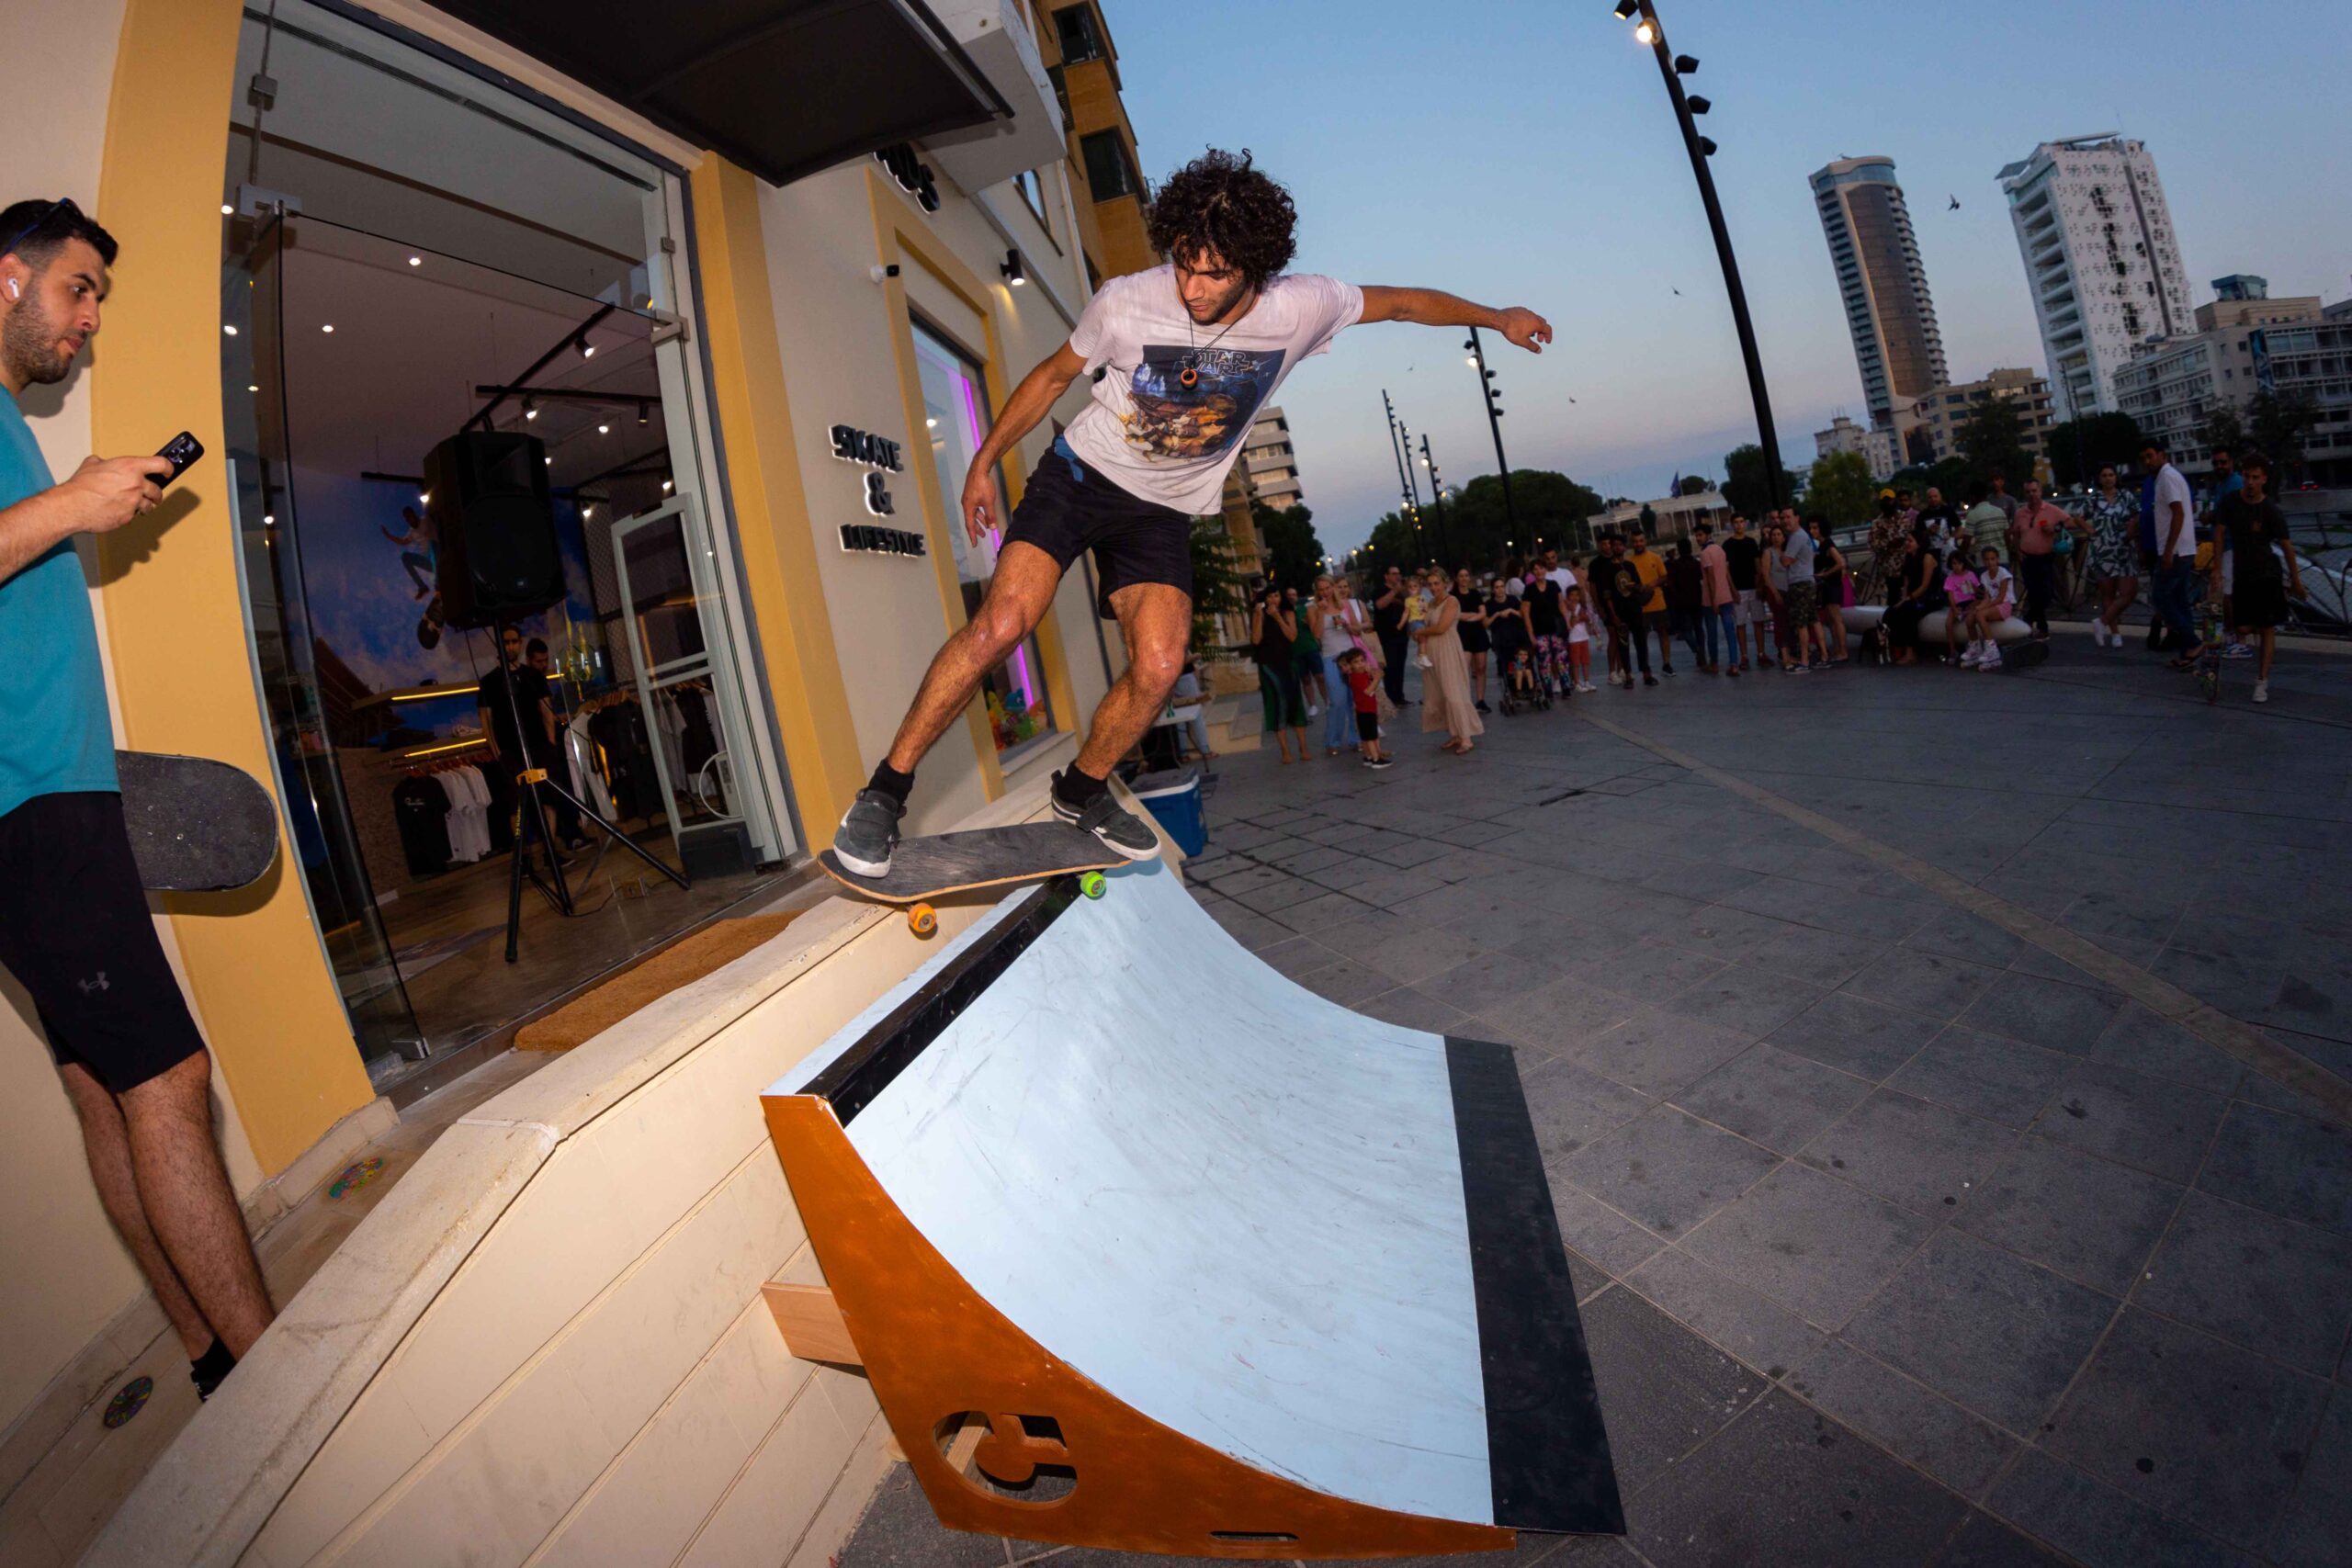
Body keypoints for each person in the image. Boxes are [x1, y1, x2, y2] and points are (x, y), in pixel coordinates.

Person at [828, 149, 1552, 871]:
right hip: (1081, 477)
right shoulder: (1126, 299)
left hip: (1163, 510)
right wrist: (983, 461)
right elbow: (1052, 376)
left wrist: (1497, 317)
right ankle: (883, 794)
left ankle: (1080, 791)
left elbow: (1400, 302)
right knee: (1004, 622)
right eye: (1184, 263)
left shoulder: (1302, 306)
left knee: (1161, 663)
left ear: (1257, 266)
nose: (1195, 287)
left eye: (1216, 273)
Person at [0, 196, 276, 1400]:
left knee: (106, 1091)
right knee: (169, 1081)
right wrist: (72, 502)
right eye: (78, 289)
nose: (91, 320)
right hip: (31, 806)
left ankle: (214, 1350)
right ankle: (286, 1391)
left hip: (50, 799)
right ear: (6, 279)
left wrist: (71, 511)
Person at [2213, 454, 2302, 704]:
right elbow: (2219, 533)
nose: (2250, 482)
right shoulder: (2231, 502)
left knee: (2267, 628)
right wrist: (2216, 569)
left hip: (2267, 575)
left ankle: (2261, 681)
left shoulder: (2270, 510)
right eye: (2247, 477)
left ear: (2263, 479)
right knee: (2241, 627)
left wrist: (2295, 580)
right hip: (2242, 575)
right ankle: (2259, 631)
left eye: (2255, 478)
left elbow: (2287, 546)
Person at [478, 623, 572, 859]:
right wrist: (497, 751)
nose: (510, 646)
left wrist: (551, 741)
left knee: (547, 798)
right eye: (506, 641)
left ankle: (551, 851)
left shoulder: (532, 676)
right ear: (499, 645)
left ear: (520, 644)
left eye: (514, 641)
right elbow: (486, 720)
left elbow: (546, 709)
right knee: (516, 804)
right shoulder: (489, 681)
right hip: (510, 750)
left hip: (539, 745)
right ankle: (525, 858)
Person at [2144, 437, 2204, 668]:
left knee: (2161, 598)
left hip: (2176, 551)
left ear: (2162, 455)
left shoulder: (2166, 478)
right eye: (2144, 458)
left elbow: (2178, 513)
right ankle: (2189, 652)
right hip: (2185, 549)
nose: (2147, 461)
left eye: (2150, 456)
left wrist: (2168, 551)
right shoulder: (2171, 477)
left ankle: (2193, 642)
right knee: (2179, 601)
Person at [1412, 567, 1483, 755]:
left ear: (1445, 583)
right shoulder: (1431, 603)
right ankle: (1454, 732)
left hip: (1448, 648)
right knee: (1439, 693)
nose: (1434, 587)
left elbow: (1442, 627)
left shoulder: (1452, 601)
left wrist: (1421, 632)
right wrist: (1418, 634)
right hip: (1432, 651)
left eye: (1437, 583)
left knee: (1454, 692)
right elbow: (1424, 624)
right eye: (1430, 584)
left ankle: (1466, 736)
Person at [2081, 463, 2141, 648]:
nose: (2108, 478)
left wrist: (2132, 530)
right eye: (2104, 475)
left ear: (2116, 477)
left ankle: (2102, 621)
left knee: (2128, 592)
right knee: (2108, 593)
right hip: (2102, 550)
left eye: (2111, 475)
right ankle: (2115, 633)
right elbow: (2078, 516)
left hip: (2123, 549)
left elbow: (2139, 514)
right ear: (2100, 479)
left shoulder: (2126, 496)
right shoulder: (2094, 498)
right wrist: (2090, 530)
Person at [1251, 583, 1310, 763]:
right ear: (1264, 599)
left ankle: (1303, 747)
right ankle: (1285, 750)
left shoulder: (1288, 613)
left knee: (1294, 701)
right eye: (1269, 597)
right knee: (1276, 704)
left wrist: (1277, 617)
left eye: (1276, 596)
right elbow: (1256, 639)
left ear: (1281, 598)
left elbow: (1292, 636)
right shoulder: (1258, 614)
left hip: (1287, 663)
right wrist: (1260, 617)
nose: (1273, 600)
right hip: (1268, 666)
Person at [2010, 478, 2074, 642]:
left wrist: (2055, 528)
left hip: (2046, 557)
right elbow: (2015, 534)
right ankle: (2042, 628)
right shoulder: (2020, 513)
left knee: (2046, 593)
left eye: (2034, 491)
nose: (2032, 495)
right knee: (2033, 593)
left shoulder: (2051, 509)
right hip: (2027, 558)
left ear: (2040, 492)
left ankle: (2028, 619)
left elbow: (2070, 522)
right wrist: (2017, 552)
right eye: (2028, 492)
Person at [1308, 575, 1365, 756]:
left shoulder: (1345, 605)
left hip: (1350, 656)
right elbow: (1316, 635)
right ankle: (1333, 740)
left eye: (1328, 588)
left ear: (1333, 587)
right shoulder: (1312, 609)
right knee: (1338, 701)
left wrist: (1347, 625)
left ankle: (1356, 739)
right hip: (1330, 657)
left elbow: (1358, 629)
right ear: (1317, 591)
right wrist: (1320, 612)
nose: (1325, 592)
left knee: (1355, 700)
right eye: (1321, 589)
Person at [2200, 446, 2247, 658]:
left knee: (2228, 595)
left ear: (2231, 463)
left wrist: (2209, 517)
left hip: (2231, 547)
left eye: (2223, 462)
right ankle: (2231, 635)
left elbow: (2224, 515)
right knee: (2224, 594)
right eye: (2216, 463)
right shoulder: (2222, 485)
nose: (2219, 466)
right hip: (2224, 546)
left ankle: (2237, 638)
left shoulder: (2235, 483)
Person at [1595, 534, 1652, 687]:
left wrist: (1637, 587)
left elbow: (1639, 586)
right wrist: (1612, 615)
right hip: (1619, 612)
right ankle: (1627, 676)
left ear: (1624, 547)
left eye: (1620, 545)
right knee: (1623, 645)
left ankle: (1646, 673)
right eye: (1614, 545)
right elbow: (1606, 595)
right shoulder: (1607, 569)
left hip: (1634, 608)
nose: (1617, 548)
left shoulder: (1630, 566)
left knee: (1641, 642)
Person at [1882, 536, 1939, 665]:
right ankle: (1896, 647)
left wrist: (1908, 599)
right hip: (1912, 597)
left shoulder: (1927, 557)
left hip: (1929, 597)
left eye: (1910, 541)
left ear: (1919, 543)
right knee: (1891, 612)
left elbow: (1925, 585)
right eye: (1906, 541)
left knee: (1908, 612)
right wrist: (1903, 599)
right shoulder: (1908, 559)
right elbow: (1906, 585)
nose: (1907, 543)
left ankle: (1911, 652)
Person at [1627, 530, 1674, 676]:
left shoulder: (1655, 557)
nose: (1638, 544)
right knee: (1642, 638)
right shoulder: (1629, 562)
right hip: (1640, 605)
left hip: (1658, 602)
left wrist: (1651, 584)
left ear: (1645, 541)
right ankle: (1646, 668)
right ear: (1632, 543)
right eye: (1635, 541)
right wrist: (1638, 588)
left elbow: (1664, 576)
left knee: (1663, 633)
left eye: (1641, 540)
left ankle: (1666, 664)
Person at [1778, 515, 1822, 672]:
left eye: (1789, 517)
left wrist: (1785, 555)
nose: (1786, 521)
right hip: (1808, 580)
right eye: (1784, 518)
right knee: (1813, 619)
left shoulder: (1797, 537)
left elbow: (1785, 561)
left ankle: (1804, 661)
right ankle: (1823, 656)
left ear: (1797, 518)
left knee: (1801, 622)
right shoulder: (1804, 536)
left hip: (1800, 583)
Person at [1521, 559, 1571, 694]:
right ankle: (1547, 689)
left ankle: (1566, 686)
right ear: (1532, 572)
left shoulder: (1553, 585)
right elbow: (1525, 613)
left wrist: (1567, 622)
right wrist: (1530, 634)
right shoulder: (1529, 589)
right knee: (1544, 661)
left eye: (1541, 568)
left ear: (1545, 570)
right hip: (1540, 631)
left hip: (1556, 628)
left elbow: (1561, 604)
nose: (1539, 572)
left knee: (1562, 659)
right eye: (1536, 569)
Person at [1693, 522, 1736, 676]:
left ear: (1707, 535)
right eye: (1696, 535)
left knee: (1712, 632)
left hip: (1711, 599)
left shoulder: (1705, 554)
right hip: (1726, 595)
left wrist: (1713, 600)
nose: (1698, 538)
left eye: (1700, 535)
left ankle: (1714, 663)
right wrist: (1733, 591)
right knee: (1730, 631)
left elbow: (1710, 577)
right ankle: (1734, 663)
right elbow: (1726, 572)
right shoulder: (1720, 549)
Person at [1336, 649, 1391, 768]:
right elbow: (1368, 691)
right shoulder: (1358, 678)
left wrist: (1371, 673)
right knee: (1372, 737)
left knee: (1366, 737)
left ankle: (1368, 757)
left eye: (1362, 660)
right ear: (1350, 665)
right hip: (1367, 710)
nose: (1361, 664)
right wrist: (1376, 679)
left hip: (1363, 710)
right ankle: (1376, 759)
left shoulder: (1357, 675)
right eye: (1356, 662)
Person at [1722, 513, 1762, 671]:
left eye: (1741, 522)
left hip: (1753, 586)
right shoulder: (1728, 544)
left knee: (1758, 621)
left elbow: (1757, 564)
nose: (1739, 525)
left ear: (1745, 524)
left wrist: (1759, 585)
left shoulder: (1751, 542)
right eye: (1736, 523)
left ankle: (1761, 652)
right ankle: (1744, 655)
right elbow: (1726, 570)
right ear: (1732, 525)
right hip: (1739, 588)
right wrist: (1732, 590)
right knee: (1740, 624)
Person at [1808, 515, 1849, 664]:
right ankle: (1838, 649)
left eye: (1815, 528)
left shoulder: (1828, 545)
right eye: (1811, 528)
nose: (1812, 531)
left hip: (1832, 585)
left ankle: (1843, 650)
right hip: (1827, 585)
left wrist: (1825, 574)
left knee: (1836, 618)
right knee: (1831, 619)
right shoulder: (1821, 546)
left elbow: (1840, 563)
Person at [1452, 566, 1493, 713]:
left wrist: (1469, 617)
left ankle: (1480, 700)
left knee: (1481, 667)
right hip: (1462, 634)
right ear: (1456, 578)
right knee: (1465, 667)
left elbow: (1483, 613)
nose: (1464, 578)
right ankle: (1466, 700)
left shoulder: (1475, 593)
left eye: (1466, 575)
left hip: (1477, 632)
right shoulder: (1453, 596)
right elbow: (1455, 614)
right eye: (1461, 576)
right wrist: (1471, 615)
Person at [1484, 575, 1532, 701]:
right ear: (1493, 590)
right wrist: (1497, 614)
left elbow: (1522, 614)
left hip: (1517, 636)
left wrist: (1511, 610)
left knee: (1525, 662)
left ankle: (1529, 688)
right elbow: (1486, 623)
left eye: (1502, 587)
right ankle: (1514, 690)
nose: (1500, 590)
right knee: (1508, 665)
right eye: (1497, 587)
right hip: (1502, 639)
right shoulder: (1489, 604)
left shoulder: (1512, 600)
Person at [1370, 563, 1412, 705]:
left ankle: (1400, 696)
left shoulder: (1402, 592)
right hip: (1386, 636)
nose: (1397, 576)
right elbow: (1380, 605)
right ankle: (1391, 697)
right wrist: (1394, 591)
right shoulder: (1380, 590)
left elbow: (1409, 607)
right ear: (1386, 576)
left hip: (1402, 635)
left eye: (1398, 573)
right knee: (1390, 667)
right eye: (1393, 573)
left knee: (1400, 666)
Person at [1968, 547, 2016, 670]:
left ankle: (1992, 649)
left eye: (1993, 559)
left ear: (1998, 559)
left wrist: (1982, 608)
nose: (1990, 562)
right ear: (1984, 561)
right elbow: (1987, 598)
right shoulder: (1984, 576)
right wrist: (1979, 607)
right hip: (1992, 605)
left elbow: (2000, 598)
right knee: (1971, 616)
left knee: (1980, 615)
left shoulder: (2004, 574)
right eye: (1987, 560)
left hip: (2004, 605)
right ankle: (1975, 648)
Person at [1665, 536, 1705, 672]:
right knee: (1699, 628)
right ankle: (1702, 652)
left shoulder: (1674, 565)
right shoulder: (1696, 563)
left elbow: (1670, 584)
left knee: (1686, 631)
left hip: (1682, 603)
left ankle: (1696, 649)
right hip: (1697, 600)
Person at [1861, 491, 1908, 607]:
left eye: (1890, 500)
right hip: (1889, 568)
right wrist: (1888, 544)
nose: (1888, 503)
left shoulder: (1904, 517)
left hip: (1907, 564)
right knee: (1893, 597)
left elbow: (1904, 536)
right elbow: (1872, 544)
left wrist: (1891, 541)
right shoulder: (1877, 523)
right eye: (1885, 500)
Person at [1943, 547, 1984, 668]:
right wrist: (1954, 609)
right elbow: (1950, 595)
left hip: (1970, 602)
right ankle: (1952, 650)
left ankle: (1974, 645)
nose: (1956, 566)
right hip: (1957, 604)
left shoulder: (1970, 575)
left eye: (1959, 563)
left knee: (1971, 619)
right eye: (1954, 564)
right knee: (1948, 624)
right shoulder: (1950, 578)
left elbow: (1978, 591)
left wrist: (1976, 599)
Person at [1563, 583, 1598, 693]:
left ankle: (1587, 681)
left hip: (1584, 637)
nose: (1574, 597)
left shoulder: (1582, 607)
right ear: (1568, 596)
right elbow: (1571, 623)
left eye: (1577, 595)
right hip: (1573, 638)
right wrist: (1574, 614)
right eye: (1572, 595)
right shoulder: (1567, 609)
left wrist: (1582, 617)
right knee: (1575, 662)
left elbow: (1587, 618)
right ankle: (1576, 682)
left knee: (1585, 661)